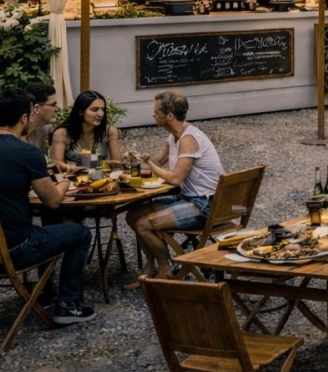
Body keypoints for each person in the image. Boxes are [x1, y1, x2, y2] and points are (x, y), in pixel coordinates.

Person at [0, 89, 96, 324]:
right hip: (13, 251)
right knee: (81, 233)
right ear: (24, 118)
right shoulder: (26, 152)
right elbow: (52, 201)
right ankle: (67, 305)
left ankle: (50, 292)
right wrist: (62, 183)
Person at [124, 90, 225, 288]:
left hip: (205, 205)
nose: (153, 115)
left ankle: (165, 269)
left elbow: (176, 179)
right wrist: (139, 160)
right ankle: (150, 266)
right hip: (189, 199)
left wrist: (151, 166)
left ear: (169, 115)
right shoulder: (174, 137)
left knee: (143, 225)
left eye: (156, 112)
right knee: (132, 216)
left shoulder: (189, 139)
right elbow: (155, 163)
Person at [51, 90, 122, 171]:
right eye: (94, 109)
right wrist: (78, 169)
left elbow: (117, 165)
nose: (100, 114)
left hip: (102, 179)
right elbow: (57, 164)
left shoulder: (109, 131)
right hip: (73, 180)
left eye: (103, 109)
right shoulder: (62, 133)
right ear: (81, 111)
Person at [0, 81, 57, 154]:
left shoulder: (45, 129)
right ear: (36, 108)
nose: (57, 109)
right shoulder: (5, 124)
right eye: (53, 105)